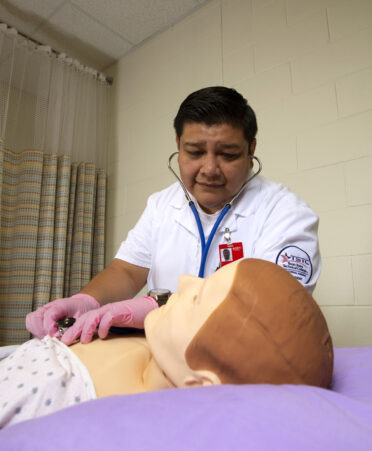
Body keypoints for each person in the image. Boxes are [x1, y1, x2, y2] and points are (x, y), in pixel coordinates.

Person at [26, 86, 321, 344]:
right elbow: (126, 271)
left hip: (240, 357)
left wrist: (157, 306)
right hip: (163, 352)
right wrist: (85, 301)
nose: (209, 169)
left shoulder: (285, 212)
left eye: (228, 154)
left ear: (250, 149)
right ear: (178, 145)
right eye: (194, 152)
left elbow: (274, 303)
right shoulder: (161, 205)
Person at [1, 259, 333, 428]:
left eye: (196, 297)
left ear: (202, 384)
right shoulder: (165, 354)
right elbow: (127, 270)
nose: (184, 281)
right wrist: (87, 301)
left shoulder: (57, 391)